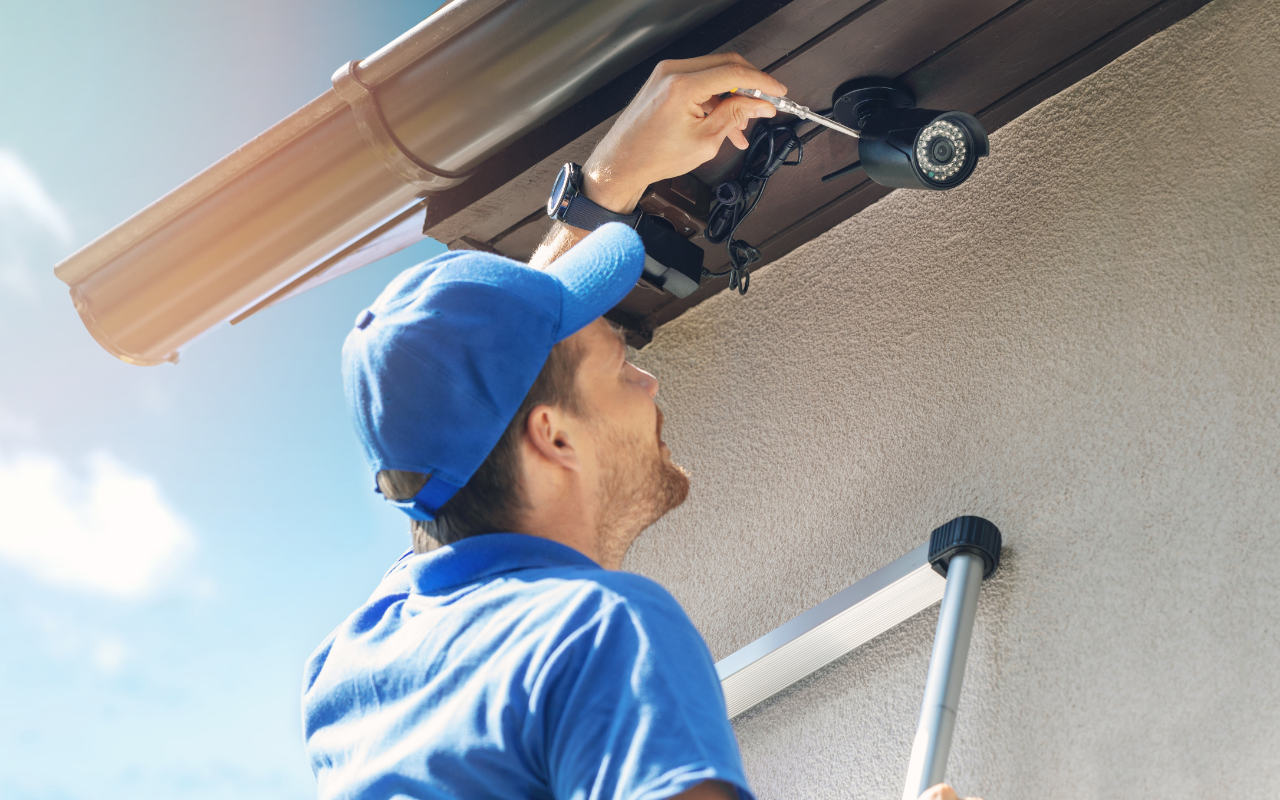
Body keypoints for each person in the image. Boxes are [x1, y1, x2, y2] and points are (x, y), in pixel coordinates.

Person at [302, 52, 976, 800]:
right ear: (553, 437)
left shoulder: (354, 670)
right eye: (621, 367)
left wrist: (607, 180)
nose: (650, 382)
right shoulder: (599, 631)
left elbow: (467, 415)